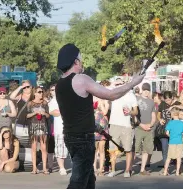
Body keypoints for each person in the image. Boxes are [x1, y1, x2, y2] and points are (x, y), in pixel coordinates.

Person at [55, 44, 145, 189]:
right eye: (81, 58)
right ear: (76, 61)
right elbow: (111, 94)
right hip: (83, 139)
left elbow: (74, 110)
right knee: (78, 182)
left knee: (89, 179)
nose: (82, 61)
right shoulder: (80, 79)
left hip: (71, 136)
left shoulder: (60, 84)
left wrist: (92, 124)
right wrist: (133, 83)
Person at [107, 78, 138, 178]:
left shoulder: (130, 94)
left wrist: (130, 112)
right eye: (117, 84)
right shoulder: (113, 93)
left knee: (128, 149)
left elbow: (136, 111)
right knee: (113, 149)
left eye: (121, 83)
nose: (119, 85)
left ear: (124, 84)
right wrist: (113, 83)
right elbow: (105, 89)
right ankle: (113, 170)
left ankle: (127, 170)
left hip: (126, 125)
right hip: (114, 124)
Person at [26, 86, 50, 174]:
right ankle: (34, 168)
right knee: (34, 147)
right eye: (39, 92)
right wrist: (34, 113)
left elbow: (48, 116)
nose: (41, 93)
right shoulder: (30, 103)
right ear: (34, 93)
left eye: (42, 92)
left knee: (44, 147)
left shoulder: (44, 103)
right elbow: (27, 116)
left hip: (43, 126)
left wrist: (44, 113)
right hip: (33, 126)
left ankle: (44, 168)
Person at [134, 83, 156, 175]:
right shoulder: (136, 99)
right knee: (135, 149)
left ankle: (142, 169)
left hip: (149, 128)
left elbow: (153, 115)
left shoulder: (151, 102)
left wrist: (150, 124)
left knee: (147, 149)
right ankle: (130, 167)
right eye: (145, 90)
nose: (146, 92)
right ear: (142, 90)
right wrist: (141, 125)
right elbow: (134, 115)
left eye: (148, 90)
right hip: (138, 127)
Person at [49, 84, 68, 175]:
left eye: (55, 89)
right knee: (60, 148)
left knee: (70, 148)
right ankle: (62, 168)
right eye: (52, 90)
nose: (54, 91)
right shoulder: (53, 101)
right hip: (59, 128)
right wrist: (63, 110)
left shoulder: (67, 98)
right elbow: (53, 112)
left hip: (70, 128)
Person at [163, 107, 183, 176]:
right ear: (178, 114)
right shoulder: (181, 123)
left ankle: (165, 171)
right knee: (178, 158)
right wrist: (182, 139)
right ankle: (177, 172)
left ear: (172, 114)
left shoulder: (170, 123)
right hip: (179, 142)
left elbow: (167, 133)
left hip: (172, 142)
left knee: (169, 157)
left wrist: (171, 136)